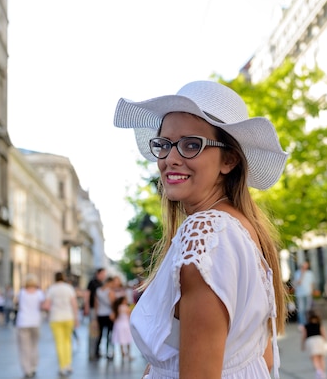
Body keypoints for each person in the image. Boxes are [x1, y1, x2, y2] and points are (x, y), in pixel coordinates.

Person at [114, 80, 288, 377]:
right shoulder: (241, 229)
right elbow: (264, 358)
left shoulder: (206, 234)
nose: (170, 158)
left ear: (229, 159)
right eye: (164, 144)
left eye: (191, 145)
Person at [43, 272, 78, 377]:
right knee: (68, 341)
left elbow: (46, 305)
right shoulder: (69, 288)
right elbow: (74, 304)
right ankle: (68, 364)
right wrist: (76, 317)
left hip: (55, 318)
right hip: (68, 317)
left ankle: (61, 366)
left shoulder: (52, 289)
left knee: (59, 342)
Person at [14, 274, 45, 379]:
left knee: (24, 348)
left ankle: (26, 369)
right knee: (34, 346)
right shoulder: (39, 293)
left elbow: (16, 302)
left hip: (23, 322)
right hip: (35, 322)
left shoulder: (21, 293)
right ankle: (33, 367)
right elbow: (42, 306)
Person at [85, 268, 106, 361]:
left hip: (100, 310)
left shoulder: (102, 284)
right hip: (93, 310)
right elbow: (87, 295)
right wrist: (86, 307)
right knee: (93, 331)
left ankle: (96, 351)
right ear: (98, 274)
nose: (104, 276)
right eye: (103, 274)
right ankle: (91, 353)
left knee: (99, 332)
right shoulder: (92, 283)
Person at [301, 310, 327, 379]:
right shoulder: (319, 324)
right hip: (319, 340)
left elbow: (304, 336)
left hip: (310, 341)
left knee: (314, 358)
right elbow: (323, 334)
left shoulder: (306, 326)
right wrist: (324, 341)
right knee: (321, 358)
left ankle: (318, 372)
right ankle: (323, 373)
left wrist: (303, 345)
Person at [94, 277, 116, 360]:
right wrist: (114, 313)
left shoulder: (98, 291)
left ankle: (97, 351)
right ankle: (109, 352)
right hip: (109, 314)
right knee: (109, 334)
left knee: (100, 334)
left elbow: (96, 304)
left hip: (100, 314)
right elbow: (113, 303)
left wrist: (96, 315)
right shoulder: (110, 291)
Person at [111, 295, 133, 361]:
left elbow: (113, 317)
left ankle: (122, 353)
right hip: (125, 324)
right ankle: (128, 354)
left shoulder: (117, 308)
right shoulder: (126, 308)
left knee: (121, 340)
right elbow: (130, 316)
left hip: (118, 325)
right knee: (127, 340)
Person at [293, 261, 315, 327]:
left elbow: (311, 283)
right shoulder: (297, 273)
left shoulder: (310, 273)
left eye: (306, 266)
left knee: (307, 309)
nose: (304, 267)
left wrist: (311, 291)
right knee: (301, 309)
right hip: (300, 294)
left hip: (308, 293)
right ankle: (302, 323)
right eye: (303, 266)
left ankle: (308, 322)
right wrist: (302, 274)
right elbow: (298, 282)